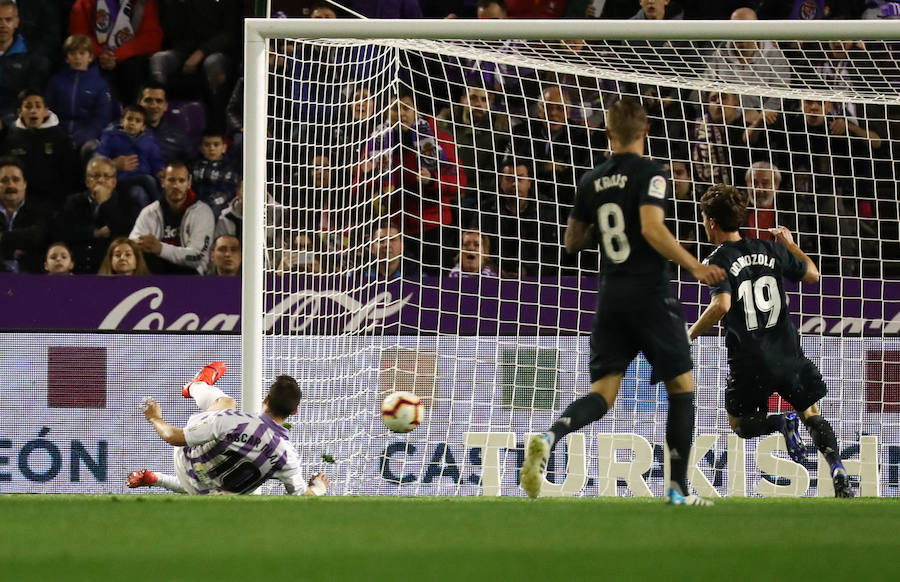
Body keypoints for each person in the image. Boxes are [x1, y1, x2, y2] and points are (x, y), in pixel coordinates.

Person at [520, 99, 726, 505]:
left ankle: (551, 434)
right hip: (650, 294)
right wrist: (695, 266)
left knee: (603, 392)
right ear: (645, 131)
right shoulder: (653, 173)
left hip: (611, 296)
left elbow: (572, 242)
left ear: (608, 133)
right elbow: (651, 228)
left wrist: (603, 226)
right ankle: (677, 491)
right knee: (682, 387)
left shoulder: (592, 179)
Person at [687, 184, 852, 498]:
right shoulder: (769, 249)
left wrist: (688, 336)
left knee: (740, 424)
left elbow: (721, 305)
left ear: (711, 222)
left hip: (750, 361)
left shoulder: (717, 259)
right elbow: (813, 275)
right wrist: (790, 245)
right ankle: (837, 468)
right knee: (811, 413)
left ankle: (779, 424)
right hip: (787, 354)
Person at [127, 362, 330, 496]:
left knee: (227, 403)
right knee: (226, 478)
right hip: (215, 496)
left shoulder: (233, 421)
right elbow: (304, 496)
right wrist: (319, 487)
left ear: (266, 399)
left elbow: (173, 437)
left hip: (185, 463)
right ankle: (160, 479)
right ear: (294, 411)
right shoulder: (288, 456)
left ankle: (196, 385)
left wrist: (154, 417)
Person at [54, 156, 140, 273]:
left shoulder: (127, 203)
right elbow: (63, 231)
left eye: (106, 176)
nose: (100, 180)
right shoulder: (73, 202)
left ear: (114, 182)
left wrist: (104, 204)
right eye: (95, 176)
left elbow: (124, 234)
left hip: (111, 270)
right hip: (77, 267)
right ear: (87, 181)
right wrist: (95, 233)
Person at [129, 160, 214, 274]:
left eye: (181, 181)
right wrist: (139, 244)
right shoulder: (149, 212)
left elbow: (196, 258)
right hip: (154, 275)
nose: (176, 186)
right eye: (171, 180)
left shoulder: (202, 212)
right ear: (163, 182)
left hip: (190, 276)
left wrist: (160, 248)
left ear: (189, 183)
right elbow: (132, 246)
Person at [0, 89, 78, 208]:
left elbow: (69, 175)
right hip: (17, 203)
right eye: (28, 106)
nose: (33, 111)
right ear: (20, 112)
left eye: (38, 106)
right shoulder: (10, 138)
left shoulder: (60, 138)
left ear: (46, 111)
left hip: (52, 202)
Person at [45, 34, 114, 154]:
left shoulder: (100, 84)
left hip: (88, 137)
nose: (77, 57)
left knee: (92, 148)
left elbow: (101, 118)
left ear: (90, 57)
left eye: (82, 53)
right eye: (73, 53)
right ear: (67, 58)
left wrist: (82, 137)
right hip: (58, 134)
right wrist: (59, 134)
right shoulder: (56, 81)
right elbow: (48, 110)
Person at [96, 103, 165, 208]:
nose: (132, 123)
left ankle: (158, 210)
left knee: (144, 189)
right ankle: (161, 208)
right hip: (120, 179)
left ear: (143, 127)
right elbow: (98, 160)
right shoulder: (111, 137)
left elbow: (156, 160)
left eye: (137, 121)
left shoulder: (149, 141)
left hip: (142, 180)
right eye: (129, 119)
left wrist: (160, 171)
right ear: (122, 121)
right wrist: (113, 164)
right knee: (147, 180)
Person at [0, 156, 50, 273]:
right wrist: (19, 244)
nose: (10, 185)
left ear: (24, 184)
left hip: (32, 276)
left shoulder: (41, 209)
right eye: (4, 180)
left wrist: (2, 237)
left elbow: (37, 236)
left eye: (16, 179)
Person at [190, 129, 239, 217]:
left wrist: (207, 204)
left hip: (218, 206)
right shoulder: (195, 166)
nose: (211, 148)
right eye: (207, 145)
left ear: (224, 148)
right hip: (196, 205)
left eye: (216, 145)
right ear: (201, 148)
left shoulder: (228, 168)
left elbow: (228, 192)